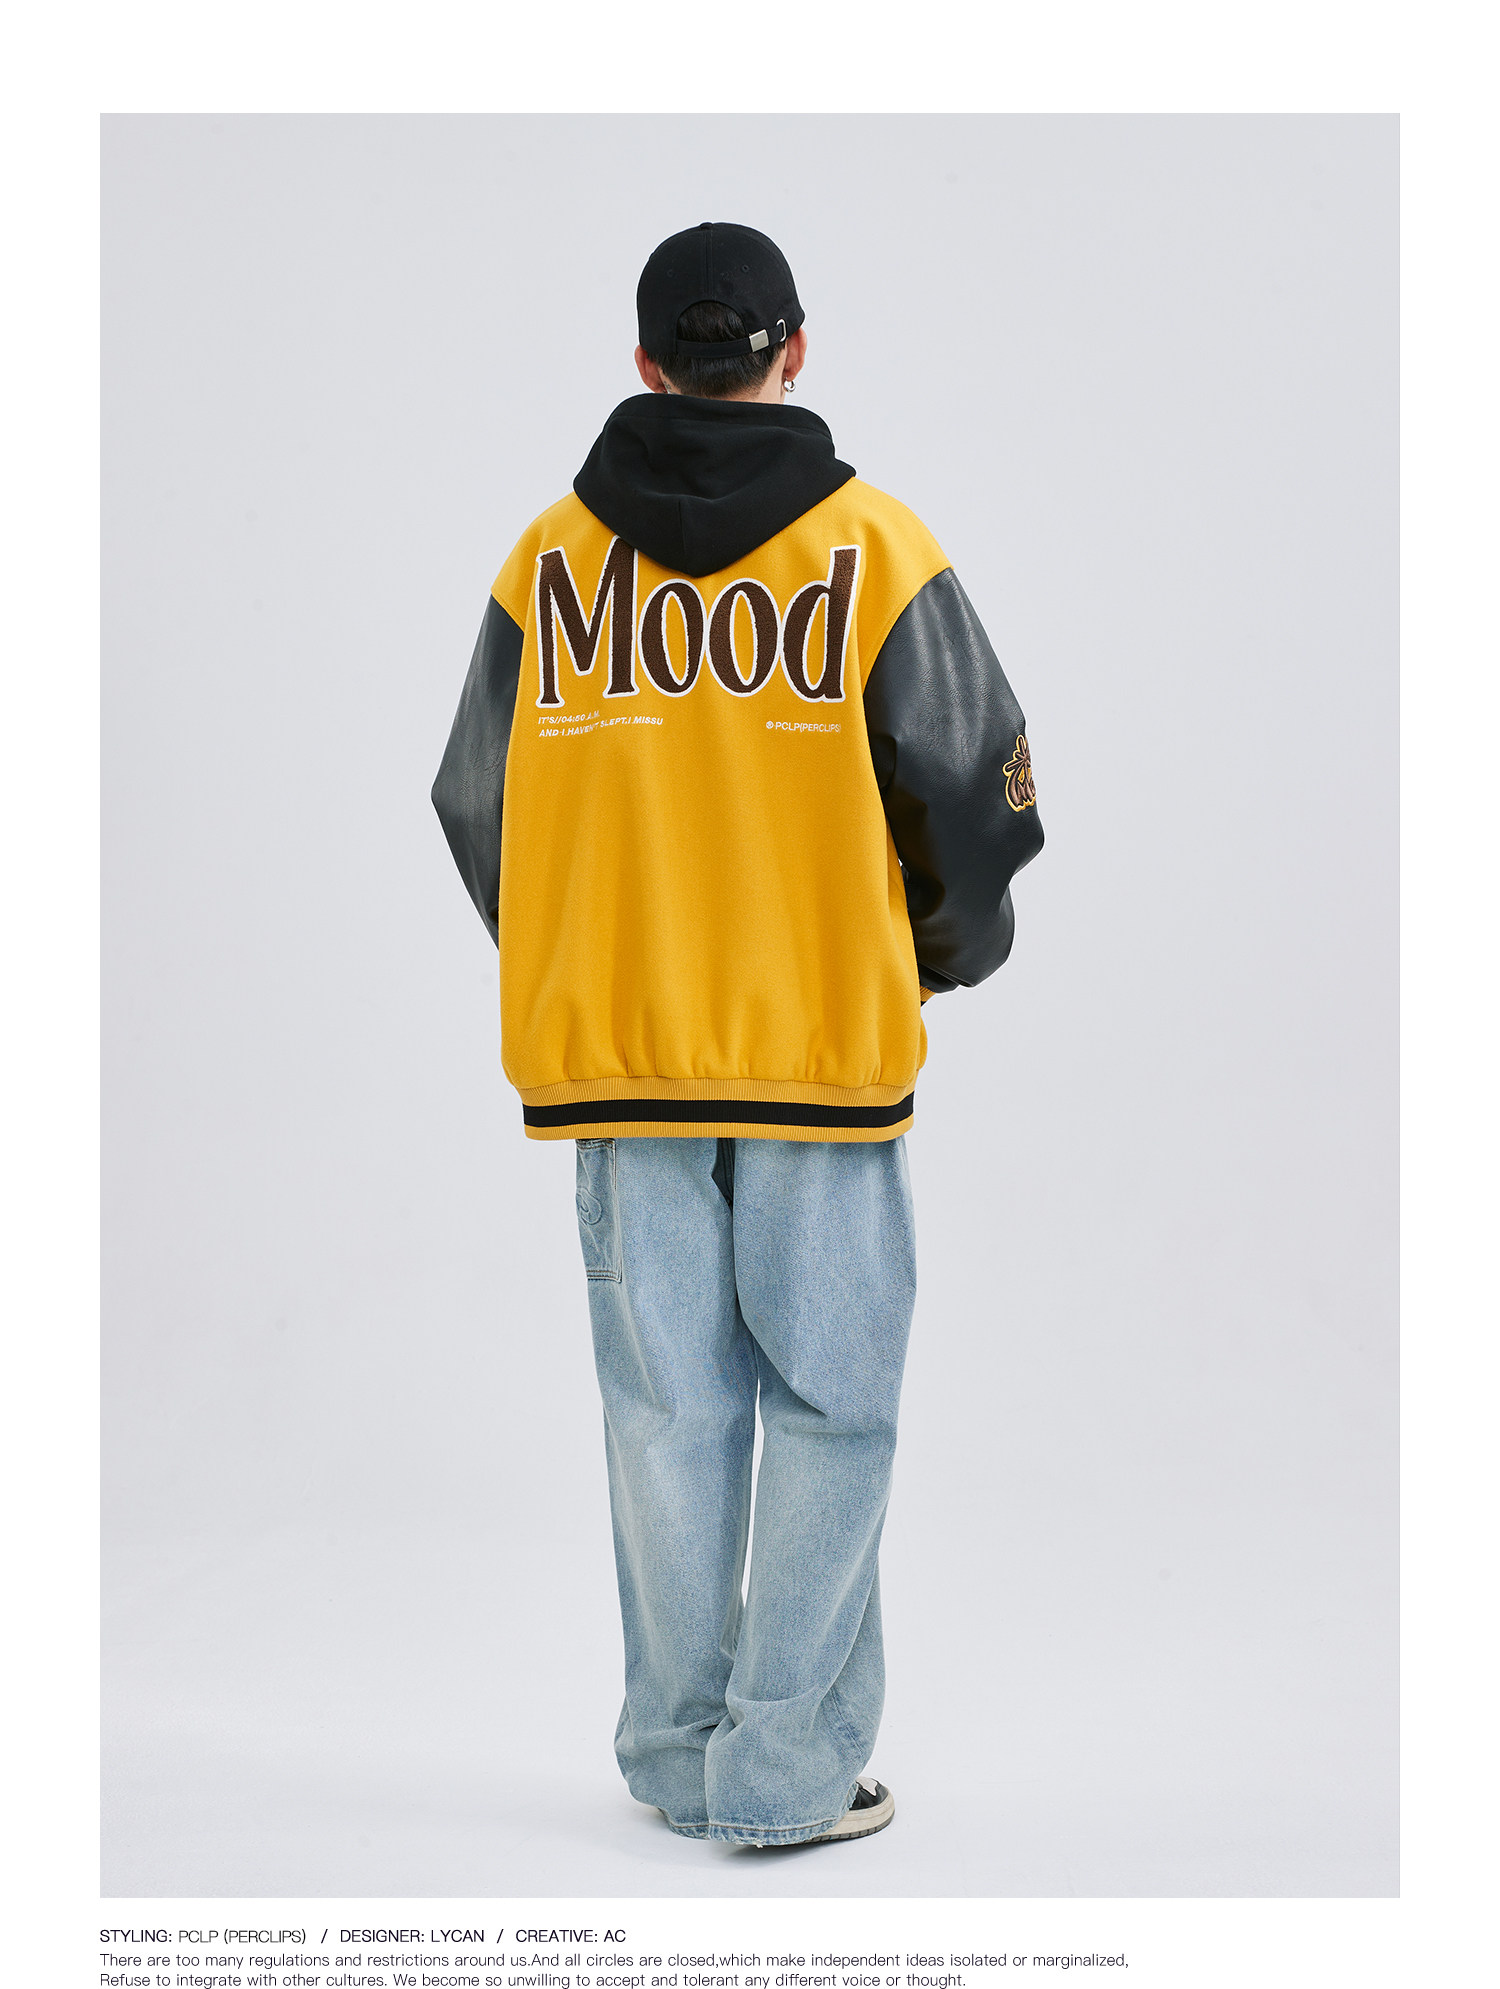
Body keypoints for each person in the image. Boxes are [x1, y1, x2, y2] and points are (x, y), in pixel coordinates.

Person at [432, 221, 1043, 1850]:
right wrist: (931, 962)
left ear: (647, 363)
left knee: (664, 1414)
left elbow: (476, 803)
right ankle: (784, 1773)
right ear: (795, 350)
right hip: (820, 1056)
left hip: (618, 1067)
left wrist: (594, 957)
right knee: (833, 1406)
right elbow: (976, 796)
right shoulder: (877, 549)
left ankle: (675, 1749)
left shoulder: (547, 562)